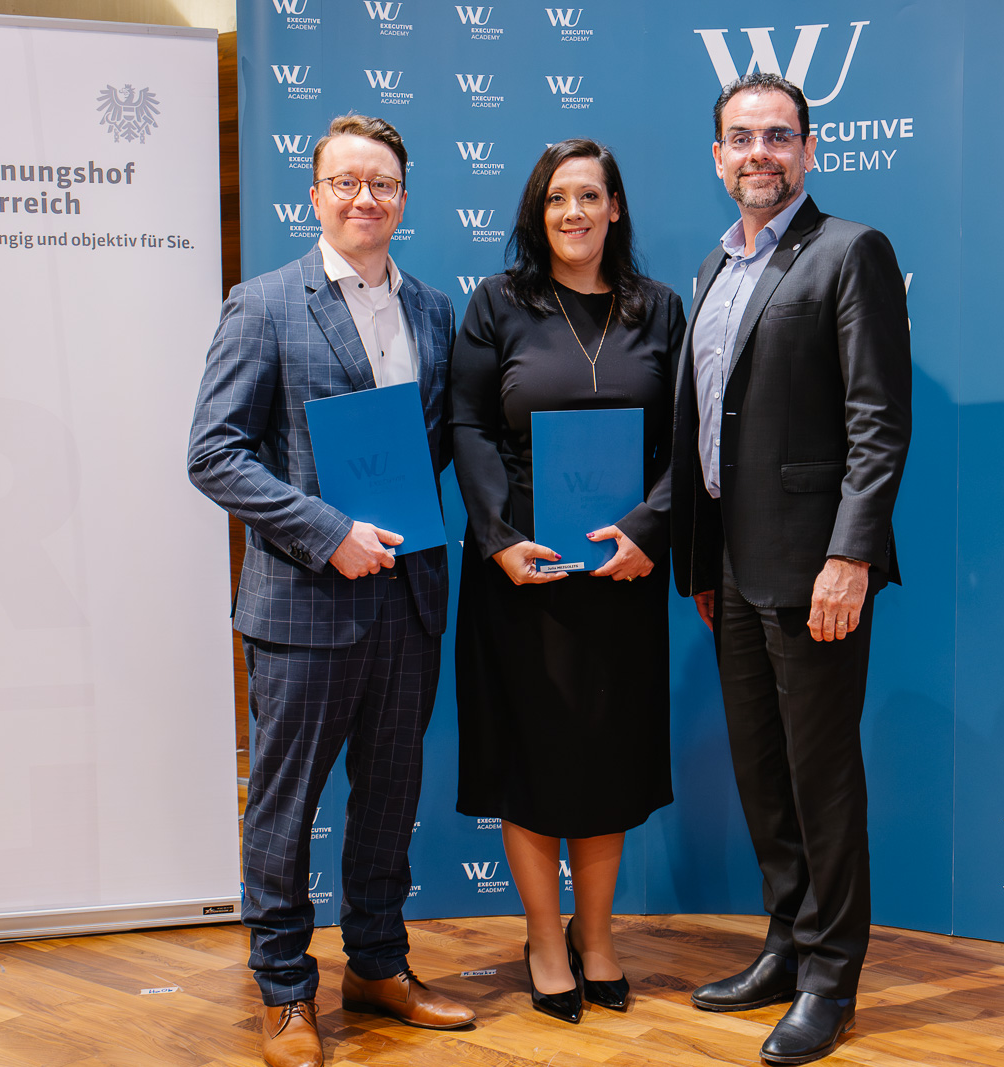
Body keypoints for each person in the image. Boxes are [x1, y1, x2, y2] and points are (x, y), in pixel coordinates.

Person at [187, 114, 474, 1067]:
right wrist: (328, 532)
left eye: (382, 183)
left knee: (389, 799)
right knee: (284, 806)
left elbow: (433, 447)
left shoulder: (433, 309)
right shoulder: (263, 304)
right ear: (315, 196)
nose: (364, 198)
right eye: (345, 182)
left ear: (404, 197)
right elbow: (214, 453)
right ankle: (284, 992)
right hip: (305, 606)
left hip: (409, 599)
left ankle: (378, 966)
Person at [672, 74, 911, 1065]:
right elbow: (709, 424)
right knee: (763, 774)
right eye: (740, 138)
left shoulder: (850, 251)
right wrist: (700, 557)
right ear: (717, 157)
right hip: (729, 565)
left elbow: (877, 421)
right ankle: (784, 942)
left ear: (809, 151)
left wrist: (849, 555)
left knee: (821, 776)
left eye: (778, 136)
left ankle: (830, 976)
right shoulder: (712, 268)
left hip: (815, 569)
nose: (758, 152)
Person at [450, 139, 684, 1024]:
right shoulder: (498, 303)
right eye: (556, 198)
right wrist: (498, 538)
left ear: (615, 207)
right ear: (536, 212)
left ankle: (598, 936)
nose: (573, 212)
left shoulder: (660, 308)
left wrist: (649, 530)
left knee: (605, 754)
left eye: (590, 195)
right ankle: (545, 941)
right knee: (531, 756)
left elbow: (690, 439)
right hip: (523, 574)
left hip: (623, 573)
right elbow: (468, 423)